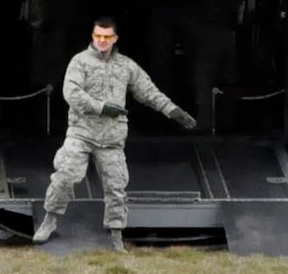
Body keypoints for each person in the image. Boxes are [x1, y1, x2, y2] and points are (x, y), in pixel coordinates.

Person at [31, 16, 196, 252]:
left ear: (114, 39)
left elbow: (148, 91)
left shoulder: (126, 66)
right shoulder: (80, 62)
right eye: (98, 36)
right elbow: (72, 93)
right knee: (65, 175)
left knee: (116, 187)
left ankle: (116, 232)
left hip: (111, 138)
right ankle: (50, 220)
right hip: (82, 132)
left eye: (107, 37)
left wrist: (173, 110)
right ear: (92, 36)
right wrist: (101, 107)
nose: (102, 40)